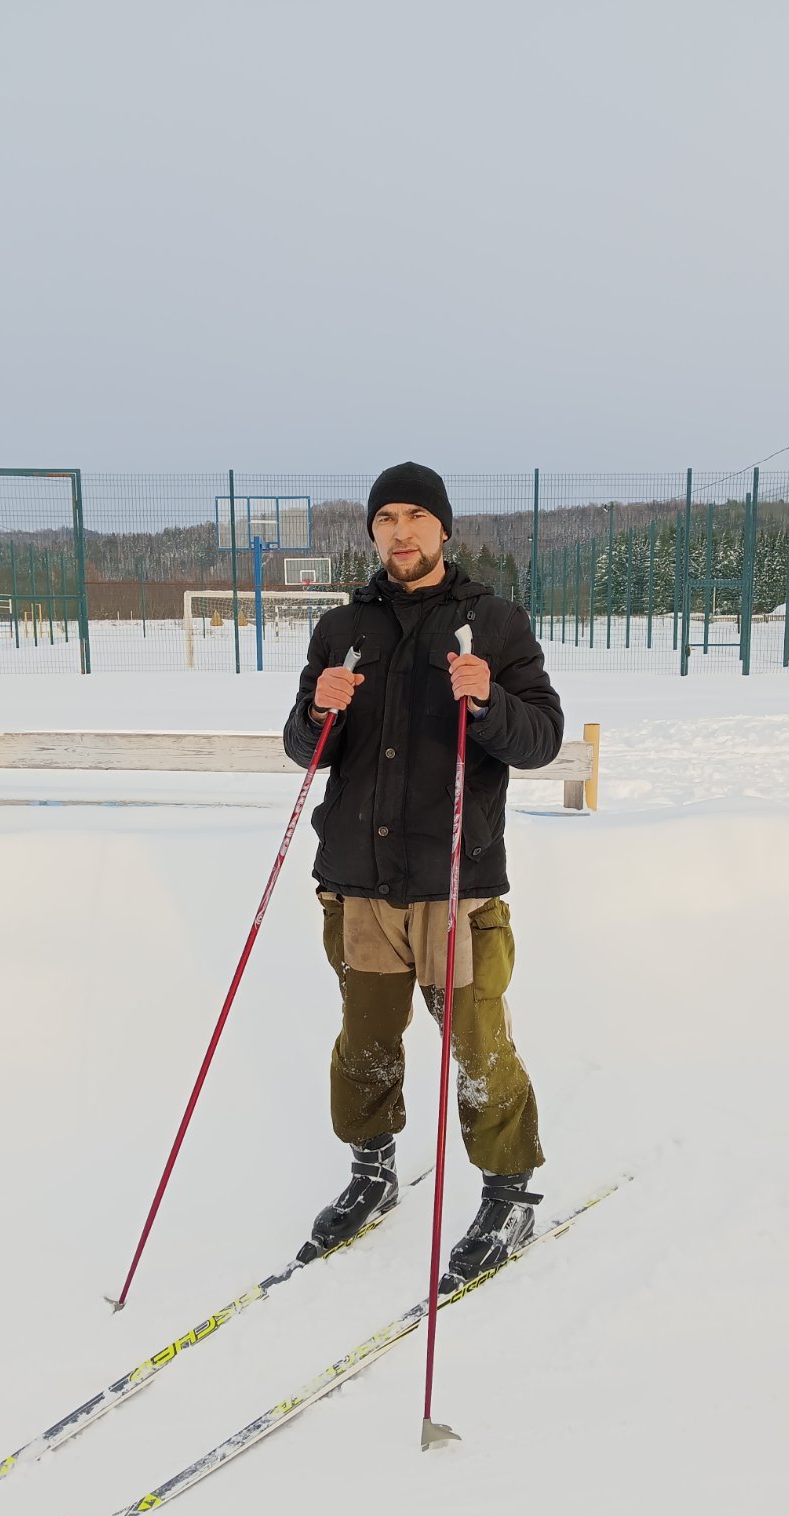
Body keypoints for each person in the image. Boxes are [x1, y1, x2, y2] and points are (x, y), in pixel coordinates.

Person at [283, 462, 564, 1286]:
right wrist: (315, 712)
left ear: (443, 530)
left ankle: (508, 1192)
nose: (400, 533)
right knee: (364, 1040)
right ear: (371, 533)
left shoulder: (494, 623)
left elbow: (539, 740)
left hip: (455, 881)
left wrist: (488, 704)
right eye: (385, 520)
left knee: (477, 1044)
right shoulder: (341, 628)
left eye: (415, 517)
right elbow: (306, 752)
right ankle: (372, 1174)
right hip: (358, 880)